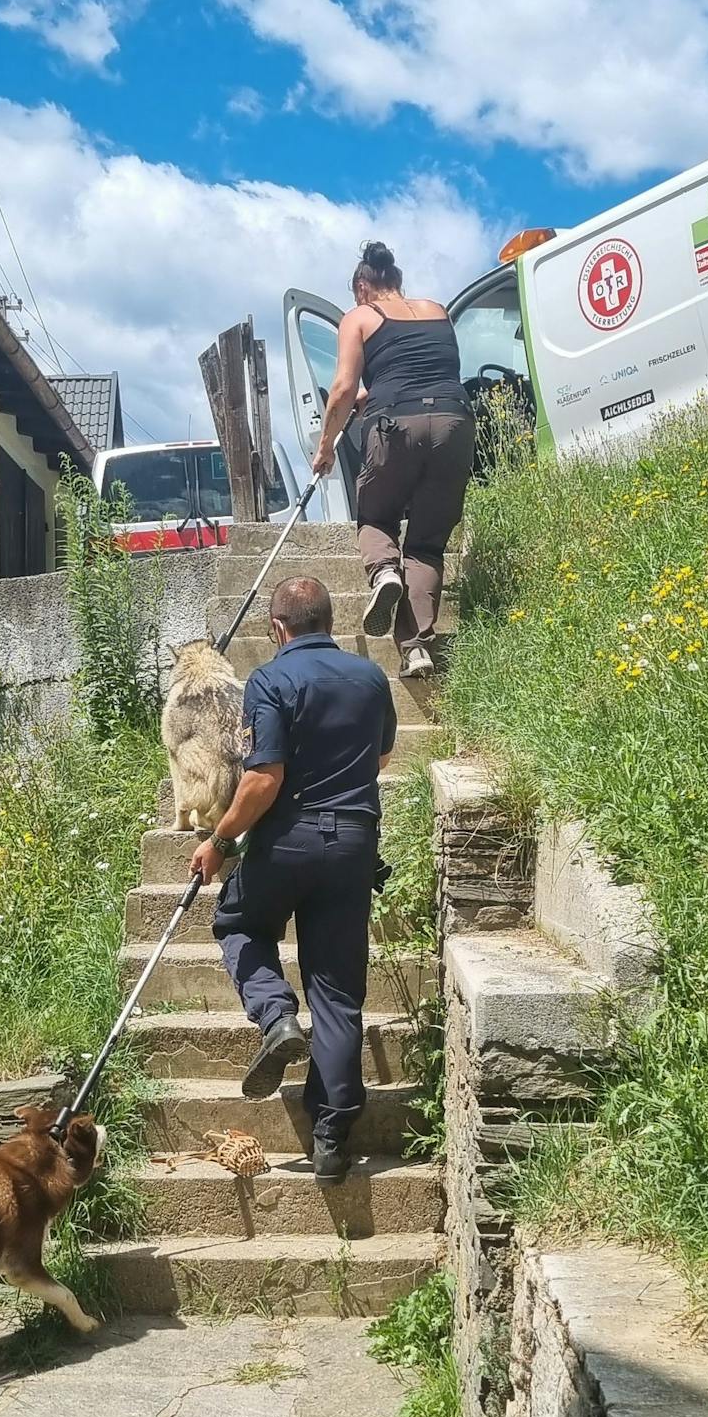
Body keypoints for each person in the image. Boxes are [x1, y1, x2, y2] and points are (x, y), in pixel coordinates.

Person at [189, 575, 395, 1182]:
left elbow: (262, 779)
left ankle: (276, 1016)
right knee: (336, 990)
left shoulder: (271, 680)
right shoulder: (370, 677)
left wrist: (220, 842)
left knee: (238, 922)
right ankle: (331, 1140)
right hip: (353, 845)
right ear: (330, 621)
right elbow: (381, 756)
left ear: (277, 629)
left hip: (288, 840)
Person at [310, 239, 476, 679]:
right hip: (452, 422)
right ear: (398, 281)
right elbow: (422, 369)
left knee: (376, 517)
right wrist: (376, 392)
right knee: (426, 543)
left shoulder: (359, 317)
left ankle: (384, 572)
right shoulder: (438, 310)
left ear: (363, 287)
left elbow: (343, 389)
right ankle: (417, 647)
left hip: (393, 426)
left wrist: (325, 447)